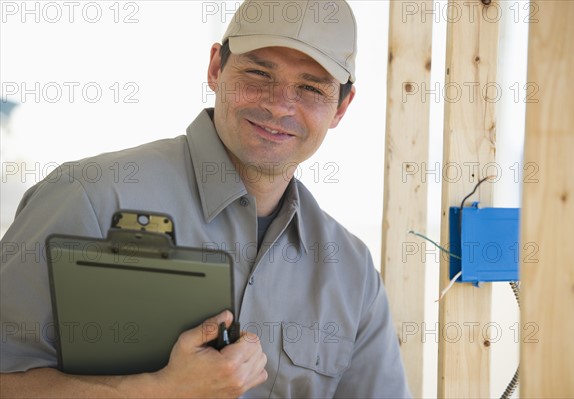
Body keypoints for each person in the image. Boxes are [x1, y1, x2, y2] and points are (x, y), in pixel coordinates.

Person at [0, 0, 411, 397]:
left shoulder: (352, 275)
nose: (278, 104)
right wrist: (159, 392)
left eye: (310, 88)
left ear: (341, 108)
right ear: (216, 67)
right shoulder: (88, 197)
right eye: (259, 74)